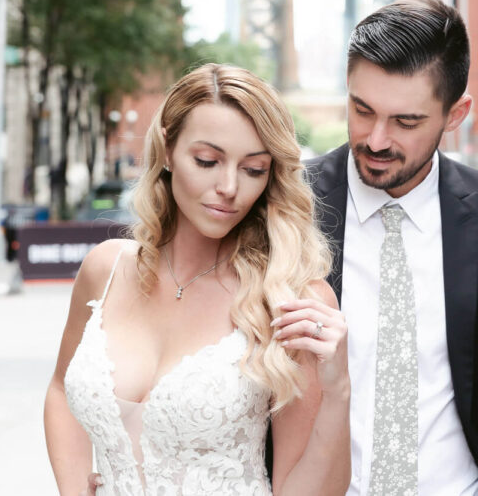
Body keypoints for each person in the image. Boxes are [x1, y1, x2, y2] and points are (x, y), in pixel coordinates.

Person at [307, 0, 478, 496]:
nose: (375, 138)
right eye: (361, 109)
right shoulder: (288, 205)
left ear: (456, 114)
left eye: (406, 121)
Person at [44, 64, 350, 496]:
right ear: (168, 149)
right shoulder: (105, 269)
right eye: (207, 161)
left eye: (254, 169)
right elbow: (61, 390)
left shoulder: (291, 300)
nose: (229, 187)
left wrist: (338, 391)